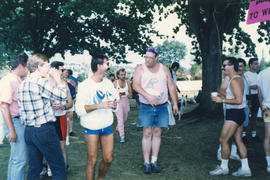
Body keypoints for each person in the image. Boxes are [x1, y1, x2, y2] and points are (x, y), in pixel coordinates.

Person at [17, 53, 67, 180]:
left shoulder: (23, 84)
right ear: (39, 66)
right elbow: (63, 97)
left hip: (29, 131)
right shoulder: (40, 83)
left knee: (34, 168)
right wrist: (58, 79)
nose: (49, 69)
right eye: (47, 66)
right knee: (58, 167)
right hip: (44, 130)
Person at [133, 47, 178, 174]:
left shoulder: (164, 69)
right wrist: (148, 96)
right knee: (147, 133)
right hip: (146, 106)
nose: (147, 60)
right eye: (145, 57)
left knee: (157, 132)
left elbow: (171, 86)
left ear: (156, 58)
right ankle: (146, 163)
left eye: (150, 58)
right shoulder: (140, 68)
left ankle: (154, 161)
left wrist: (175, 103)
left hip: (162, 105)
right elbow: (135, 85)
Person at [75, 55, 119, 180]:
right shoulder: (85, 85)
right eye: (107, 63)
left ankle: (100, 178)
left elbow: (115, 101)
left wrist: (114, 104)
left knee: (108, 159)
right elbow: (79, 110)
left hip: (106, 125)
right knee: (92, 160)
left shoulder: (108, 83)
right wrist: (99, 105)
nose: (109, 66)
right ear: (99, 66)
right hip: (91, 126)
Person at [210, 57, 251, 177]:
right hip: (238, 113)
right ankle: (245, 169)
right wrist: (220, 96)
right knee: (238, 140)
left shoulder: (235, 80)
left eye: (225, 65)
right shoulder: (232, 79)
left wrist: (222, 100)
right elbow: (226, 93)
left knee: (223, 140)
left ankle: (223, 167)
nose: (223, 68)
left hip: (235, 113)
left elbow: (238, 100)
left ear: (232, 66)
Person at [0, 54, 28, 180]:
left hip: (17, 122)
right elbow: (4, 106)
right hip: (14, 122)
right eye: (27, 67)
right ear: (21, 66)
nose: (29, 70)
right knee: (20, 160)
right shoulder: (9, 80)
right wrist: (11, 130)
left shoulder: (18, 80)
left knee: (15, 158)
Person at [47, 62, 73, 177]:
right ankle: (49, 170)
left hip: (61, 117)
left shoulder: (65, 84)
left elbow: (70, 103)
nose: (63, 72)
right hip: (48, 118)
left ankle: (63, 169)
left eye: (63, 70)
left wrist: (64, 106)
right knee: (48, 145)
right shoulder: (45, 83)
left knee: (61, 145)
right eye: (61, 70)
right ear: (54, 70)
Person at [257, 66, 270, 173]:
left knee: (268, 135)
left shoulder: (262, 73)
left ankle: (269, 164)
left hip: (266, 106)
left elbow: (259, 94)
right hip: (266, 106)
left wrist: (261, 108)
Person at [114, 68, 132, 143]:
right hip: (118, 102)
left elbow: (130, 93)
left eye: (124, 74)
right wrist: (117, 95)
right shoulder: (115, 83)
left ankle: (118, 128)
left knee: (124, 118)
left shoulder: (128, 82)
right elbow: (111, 94)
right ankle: (122, 136)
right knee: (120, 119)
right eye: (121, 74)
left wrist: (126, 94)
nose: (123, 76)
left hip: (126, 101)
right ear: (118, 75)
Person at [244, 58, 260, 142]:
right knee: (245, 116)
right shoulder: (246, 75)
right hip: (248, 96)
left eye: (258, 63)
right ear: (250, 65)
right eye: (255, 63)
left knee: (254, 116)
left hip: (256, 96)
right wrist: (257, 86)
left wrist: (257, 86)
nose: (257, 65)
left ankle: (254, 135)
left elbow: (257, 86)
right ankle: (243, 135)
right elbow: (250, 86)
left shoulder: (258, 75)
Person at [238, 58, 250, 143]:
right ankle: (238, 138)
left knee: (245, 121)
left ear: (244, 67)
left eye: (241, 66)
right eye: (237, 66)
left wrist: (250, 102)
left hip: (246, 103)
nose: (239, 68)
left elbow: (248, 90)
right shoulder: (234, 78)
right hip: (237, 105)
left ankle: (244, 134)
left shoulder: (246, 78)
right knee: (238, 122)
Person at [66, 69, 78, 137]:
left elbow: (76, 87)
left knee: (70, 117)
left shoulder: (71, 81)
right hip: (63, 101)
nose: (65, 74)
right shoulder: (60, 81)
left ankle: (70, 131)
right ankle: (65, 131)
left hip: (70, 100)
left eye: (66, 73)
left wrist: (74, 94)